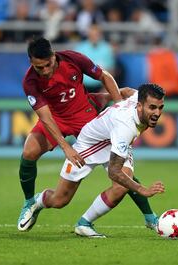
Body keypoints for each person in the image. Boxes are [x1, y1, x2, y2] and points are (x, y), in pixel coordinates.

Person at [18, 36, 159, 231]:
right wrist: (66, 147)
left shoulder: (72, 59)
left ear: (53, 56)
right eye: (39, 67)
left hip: (87, 117)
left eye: (48, 65)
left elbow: (105, 77)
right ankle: (29, 202)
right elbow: (45, 117)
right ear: (31, 63)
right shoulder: (30, 82)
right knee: (29, 152)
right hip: (55, 118)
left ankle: (150, 217)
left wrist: (119, 108)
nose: (45, 71)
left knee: (120, 167)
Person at [32, 83, 166, 238]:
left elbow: (129, 91)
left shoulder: (138, 97)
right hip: (91, 145)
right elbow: (114, 173)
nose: (157, 113)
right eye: (152, 108)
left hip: (114, 139)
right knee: (60, 200)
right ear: (140, 106)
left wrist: (118, 103)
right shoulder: (125, 127)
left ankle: (84, 224)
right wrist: (142, 189)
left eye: (160, 107)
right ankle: (39, 200)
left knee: (122, 186)